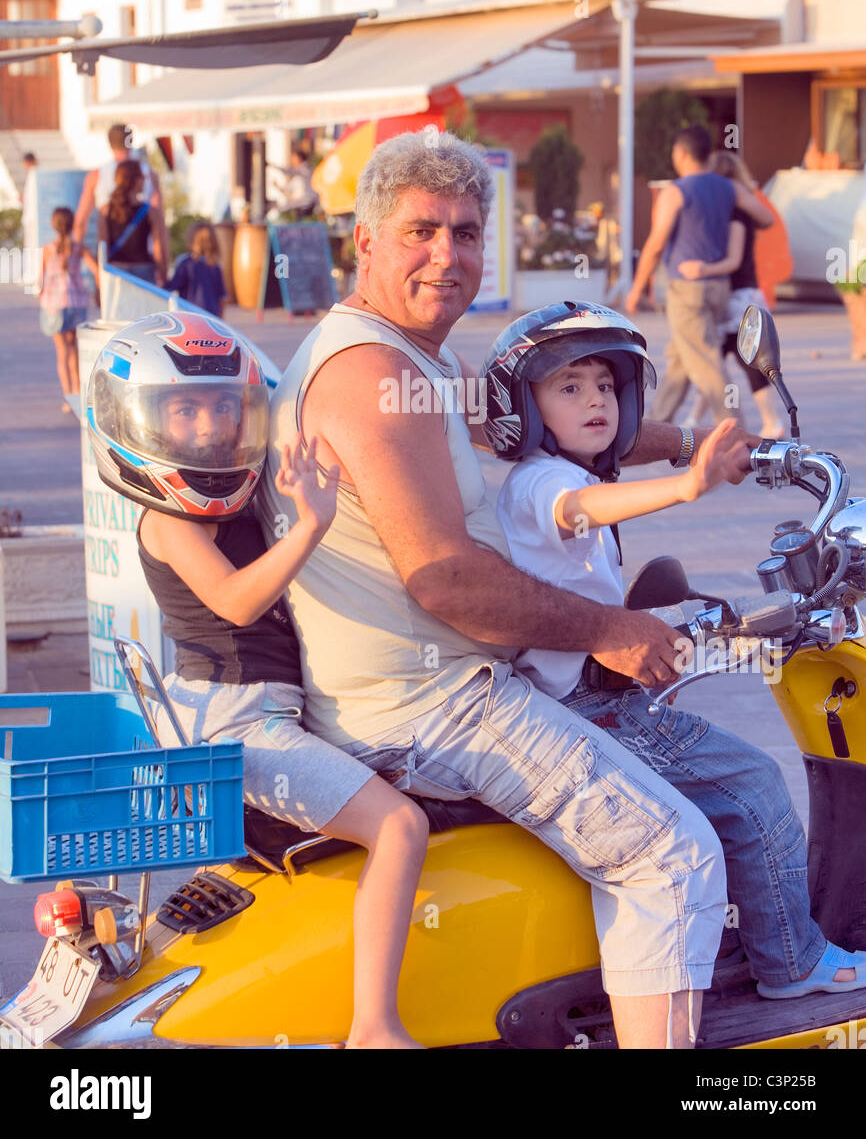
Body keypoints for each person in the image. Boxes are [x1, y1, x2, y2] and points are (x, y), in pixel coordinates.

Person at [262, 131, 747, 1049]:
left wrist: (695, 447)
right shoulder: (372, 375)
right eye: (421, 232)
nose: (448, 255)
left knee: (702, 773)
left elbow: (538, 420)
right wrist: (609, 624)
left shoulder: (416, 361)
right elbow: (444, 577)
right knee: (672, 852)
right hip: (433, 706)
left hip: (432, 688)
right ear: (364, 243)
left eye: (467, 233)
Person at [482, 300, 866, 1002]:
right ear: (527, 408)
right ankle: (792, 962)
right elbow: (581, 511)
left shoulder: (575, 470)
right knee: (750, 788)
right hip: (592, 706)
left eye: (604, 385)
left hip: (587, 685)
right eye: (569, 388)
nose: (594, 400)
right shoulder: (546, 482)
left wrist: (726, 451)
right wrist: (691, 485)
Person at [86, 311, 428, 1050]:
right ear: (139, 421)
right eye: (183, 408)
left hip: (245, 715)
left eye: (221, 407)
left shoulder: (235, 497)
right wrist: (312, 523)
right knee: (401, 826)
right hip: (235, 723)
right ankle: (376, 1025)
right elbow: (238, 601)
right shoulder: (168, 521)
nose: (207, 426)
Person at [625, 126, 773, 425]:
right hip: (719, 287)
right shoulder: (730, 188)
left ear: (680, 154)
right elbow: (766, 218)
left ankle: (734, 434)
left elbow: (655, 244)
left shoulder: (676, 191)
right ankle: (652, 425)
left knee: (706, 363)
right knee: (682, 357)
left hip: (687, 289)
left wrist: (636, 288)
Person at [678, 151, 784, 439]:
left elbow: (734, 261)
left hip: (739, 297)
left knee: (736, 360)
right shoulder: (733, 210)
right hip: (731, 295)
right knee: (712, 360)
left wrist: (701, 268)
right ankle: (693, 419)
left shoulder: (737, 214)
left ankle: (771, 421)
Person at [74, 124, 168, 268]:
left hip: (111, 261)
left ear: (109, 143)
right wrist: (163, 268)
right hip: (144, 260)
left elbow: (80, 222)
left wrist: (81, 261)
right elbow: (160, 224)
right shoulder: (148, 174)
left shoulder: (96, 176)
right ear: (131, 141)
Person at [39, 206, 98, 412]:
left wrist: (41, 298)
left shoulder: (47, 250)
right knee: (75, 351)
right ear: (72, 224)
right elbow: (96, 269)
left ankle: (67, 398)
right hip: (77, 303)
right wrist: (98, 291)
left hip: (54, 305)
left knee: (62, 352)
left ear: (53, 226)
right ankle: (77, 393)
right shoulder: (79, 248)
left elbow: (40, 280)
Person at [98, 159, 167, 286]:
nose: (144, 181)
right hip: (143, 272)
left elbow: (103, 247)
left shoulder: (105, 211)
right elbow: (159, 248)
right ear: (135, 180)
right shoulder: (150, 211)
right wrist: (163, 275)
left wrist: (99, 283)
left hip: (116, 271)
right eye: (142, 177)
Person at [168, 222, 227, 317]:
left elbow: (172, 286)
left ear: (191, 240)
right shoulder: (215, 266)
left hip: (190, 314)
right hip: (211, 316)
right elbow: (222, 297)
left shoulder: (186, 263)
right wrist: (221, 319)